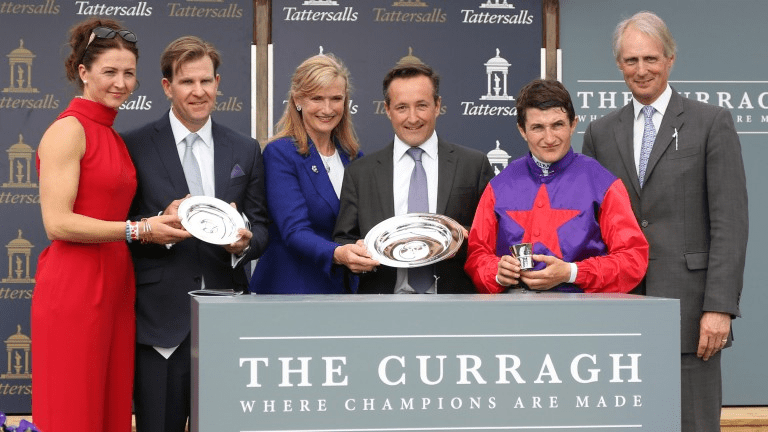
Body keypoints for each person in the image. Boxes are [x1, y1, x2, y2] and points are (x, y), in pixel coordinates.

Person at [581, 11, 748, 432]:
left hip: (692, 313)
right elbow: (592, 228)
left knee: (693, 424)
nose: (642, 70)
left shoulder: (711, 122)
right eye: (631, 60)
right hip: (619, 310)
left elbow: (730, 222)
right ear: (619, 65)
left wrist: (718, 307)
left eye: (651, 59)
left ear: (670, 59)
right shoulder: (600, 133)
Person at [32, 18, 190, 432]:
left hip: (117, 284)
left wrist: (167, 215)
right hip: (76, 285)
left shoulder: (113, 136)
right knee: (75, 410)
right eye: (109, 72)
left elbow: (116, 211)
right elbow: (57, 222)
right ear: (83, 73)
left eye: (128, 73)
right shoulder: (68, 131)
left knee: (111, 408)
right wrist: (138, 230)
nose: (121, 83)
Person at [122, 36, 269, 432]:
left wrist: (244, 243)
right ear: (168, 86)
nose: (199, 91)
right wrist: (158, 228)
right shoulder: (133, 145)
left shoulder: (245, 148)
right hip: (159, 320)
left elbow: (261, 225)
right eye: (187, 82)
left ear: (218, 83)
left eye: (206, 81)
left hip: (227, 317)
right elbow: (121, 226)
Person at [465, 79, 648, 293]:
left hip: (585, 318)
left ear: (573, 124)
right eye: (537, 128)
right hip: (514, 317)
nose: (549, 138)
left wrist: (572, 272)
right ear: (522, 130)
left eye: (557, 125)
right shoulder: (499, 186)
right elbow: (477, 256)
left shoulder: (603, 183)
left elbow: (632, 259)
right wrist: (497, 273)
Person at [334, 61, 494, 294]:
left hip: (456, 305)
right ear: (387, 110)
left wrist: (460, 237)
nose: (412, 118)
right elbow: (343, 239)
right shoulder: (360, 173)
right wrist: (353, 255)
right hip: (382, 307)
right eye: (401, 108)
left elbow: (491, 238)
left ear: (437, 106)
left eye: (422, 105)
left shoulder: (473, 164)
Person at [249, 54, 377, 294]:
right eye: (317, 98)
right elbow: (294, 230)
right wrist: (338, 254)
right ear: (298, 100)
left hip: (343, 292)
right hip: (292, 291)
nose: (327, 109)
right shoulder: (281, 153)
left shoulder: (353, 157)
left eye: (336, 99)